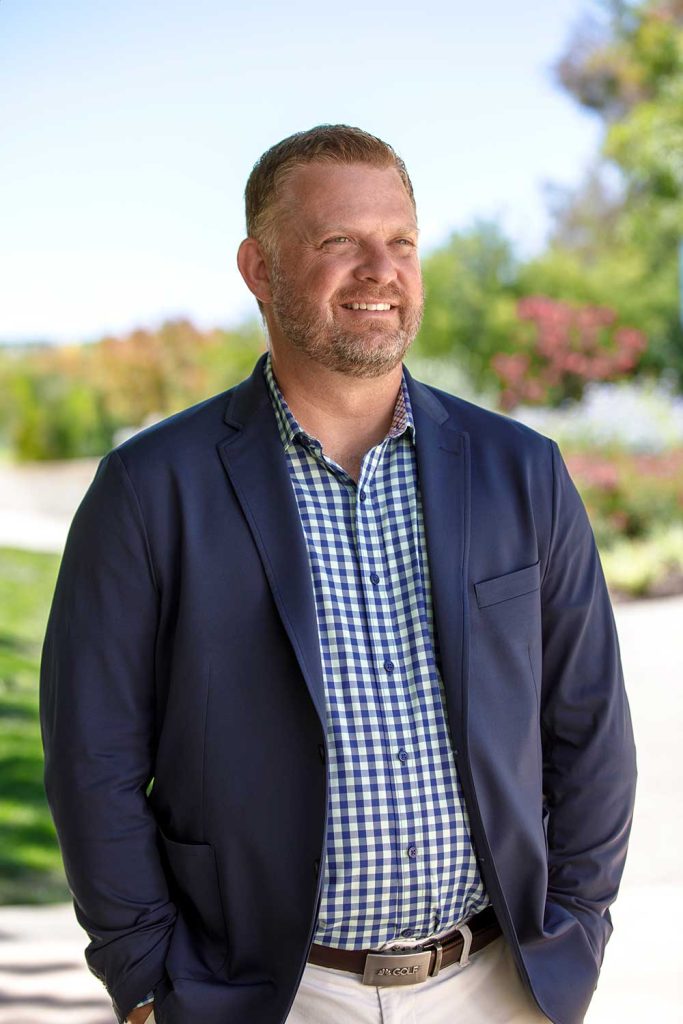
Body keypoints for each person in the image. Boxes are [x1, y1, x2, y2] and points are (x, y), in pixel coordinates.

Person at [40, 125, 637, 1024]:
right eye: (337, 241)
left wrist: (577, 931)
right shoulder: (149, 488)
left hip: (497, 985)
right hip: (264, 997)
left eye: (400, 242)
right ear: (259, 268)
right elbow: (94, 760)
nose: (380, 271)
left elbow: (589, 728)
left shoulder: (521, 470)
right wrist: (147, 984)